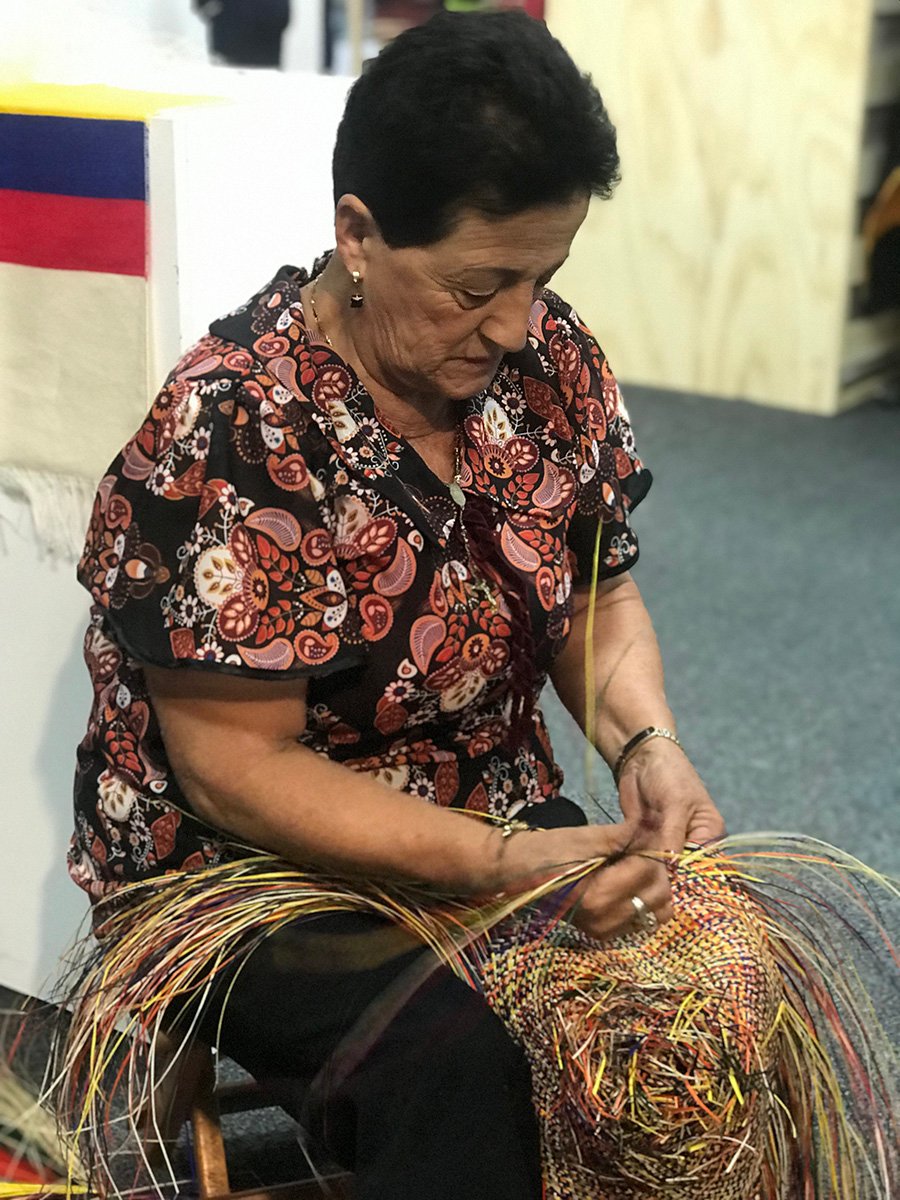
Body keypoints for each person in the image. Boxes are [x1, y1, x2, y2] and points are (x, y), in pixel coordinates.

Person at [70, 11, 729, 1198]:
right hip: (251, 870)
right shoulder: (237, 427)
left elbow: (597, 593)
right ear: (359, 234)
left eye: (546, 278)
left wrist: (647, 742)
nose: (519, 325)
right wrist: (494, 863)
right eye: (479, 284)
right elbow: (238, 772)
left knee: (701, 997)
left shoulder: (544, 364)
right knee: (453, 1067)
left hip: (491, 814)